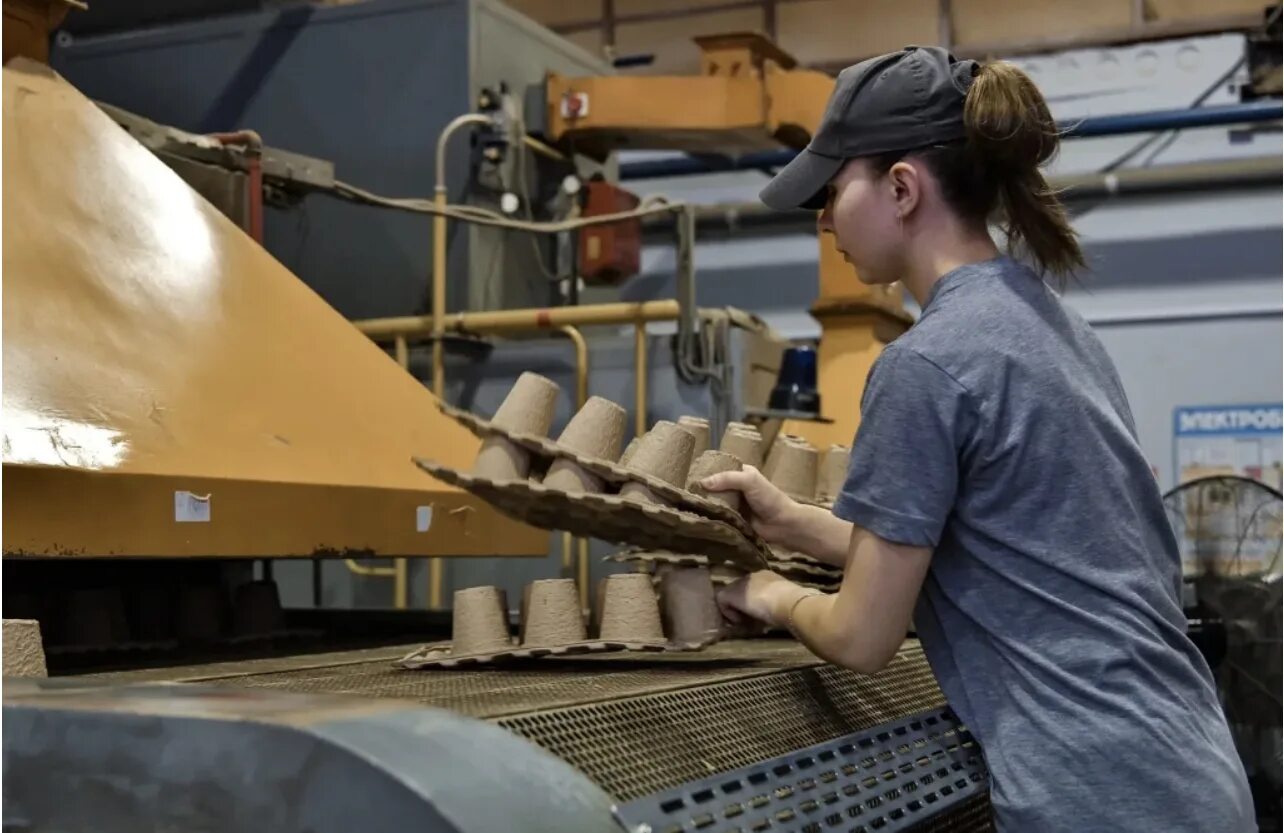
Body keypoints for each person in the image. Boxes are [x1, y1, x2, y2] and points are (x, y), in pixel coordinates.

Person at [703, 46, 1256, 832]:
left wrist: (772, 593)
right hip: (1188, 769)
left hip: (1097, 793)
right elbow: (1000, 547)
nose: (823, 220)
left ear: (901, 188)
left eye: (831, 191)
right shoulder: (1051, 327)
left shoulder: (928, 361)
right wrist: (791, 523)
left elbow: (862, 634)